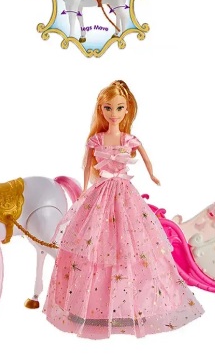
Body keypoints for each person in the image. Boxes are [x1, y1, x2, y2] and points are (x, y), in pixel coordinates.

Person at [43, 80, 204, 339]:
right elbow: (87, 166)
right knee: (96, 242)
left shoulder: (129, 139)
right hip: (100, 193)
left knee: (132, 242)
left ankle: (136, 304)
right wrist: (84, 189)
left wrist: (152, 175)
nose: (114, 113)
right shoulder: (96, 139)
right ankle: (94, 306)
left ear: (127, 109)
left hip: (125, 194)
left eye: (119, 108)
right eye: (108, 108)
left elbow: (147, 159)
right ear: (101, 109)